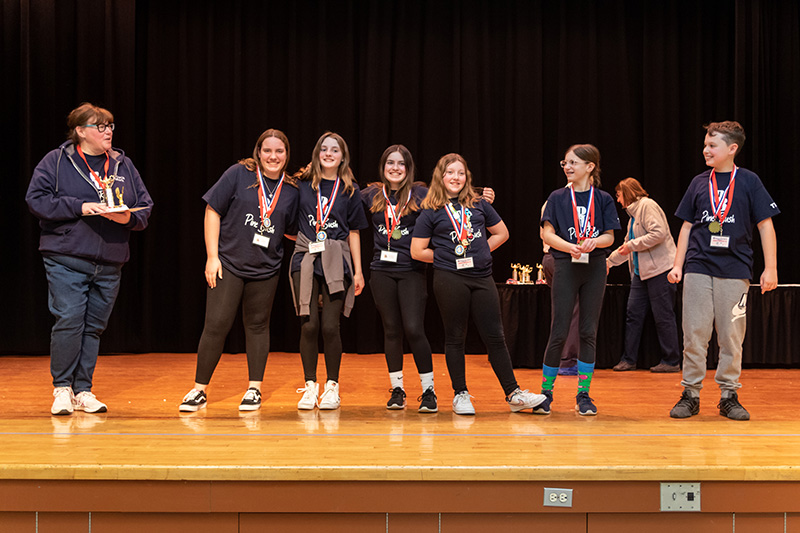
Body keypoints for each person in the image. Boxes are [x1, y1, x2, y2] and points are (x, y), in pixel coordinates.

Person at [25, 102, 153, 416]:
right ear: (81, 131)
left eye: (110, 126)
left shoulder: (123, 165)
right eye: (100, 126)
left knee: (93, 327)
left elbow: (145, 207)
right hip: (67, 256)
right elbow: (36, 199)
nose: (108, 131)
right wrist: (81, 206)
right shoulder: (56, 161)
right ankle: (62, 389)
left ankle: (83, 390)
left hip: (110, 259)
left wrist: (128, 220)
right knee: (69, 319)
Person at [410, 153, 545, 415]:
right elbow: (417, 250)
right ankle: (460, 394)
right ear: (441, 176)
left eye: (460, 173)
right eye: (450, 172)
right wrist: (448, 257)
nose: (456, 177)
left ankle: (513, 394)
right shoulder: (431, 209)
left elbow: (502, 233)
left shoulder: (478, 204)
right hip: (449, 278)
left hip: (482, 277)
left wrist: (481, 251)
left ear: (467, 177)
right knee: (455, 336)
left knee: (495, 336)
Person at [179, 129, 299, 412]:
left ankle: (254, 389)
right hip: (229, 263)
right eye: (267, 150)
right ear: (258, 152)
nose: (273, 156)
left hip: (266, 268)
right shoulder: (238, 175)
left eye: (279, 151)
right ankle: (199, 390)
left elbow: (292, 231)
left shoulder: (292, 190)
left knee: (258, 326)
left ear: (286, 155)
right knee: (216, 324)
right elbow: (212, 210)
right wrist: (212, 256)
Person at [668, 121, 779, 421]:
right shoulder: (698, 183)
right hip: (698, 267)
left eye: (712, 145)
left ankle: (729, 394)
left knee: (731, 336)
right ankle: (690, 393)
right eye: (705, 144)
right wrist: (678, 265)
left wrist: (771, 268)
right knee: (694, 333)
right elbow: (687, 226)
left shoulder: (749, 182)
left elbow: (765, 224)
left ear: (732, 149)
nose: (705, 149)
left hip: (735, 270)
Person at [539, 144, 620, 416]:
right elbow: (546, 234)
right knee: (559, 330)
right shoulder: (558, 197)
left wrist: (595, 242)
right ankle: (546, 393)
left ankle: (583, 394)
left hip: (595, 267)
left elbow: (610, 237)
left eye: (574, 163)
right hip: (565, 265)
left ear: (590, 167)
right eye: (565, 163)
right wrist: (568, 246)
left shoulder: (604, 199)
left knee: (588, 331)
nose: (568, 167)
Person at [290, 132, 368, 410]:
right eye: (324, 149)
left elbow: (355, 232)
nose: (329, 153)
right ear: (317, 153)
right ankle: (310, 386)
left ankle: (332, 386)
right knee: (308, 325)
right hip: (306, 259)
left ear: (343, 156)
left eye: (335, 150)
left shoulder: (350, 190)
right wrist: (302, 240)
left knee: (330, 326)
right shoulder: (301, 186)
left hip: (337, 260)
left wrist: (358, 271)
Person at [361, 145, 437, 412]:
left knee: (414, 329)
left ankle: (429, 391)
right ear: (383, 167)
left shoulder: (421, 193)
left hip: (412, 271)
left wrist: (481, 197)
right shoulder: (371, 194)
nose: (395, 168)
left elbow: (453, 197)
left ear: (408, 168)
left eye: (401, 164)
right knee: (391, 330)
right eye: (390, 163)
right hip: (381, 271)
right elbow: (340, 204)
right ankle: (397, 390)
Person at [607, 177, 681, 373]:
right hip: (641, 275)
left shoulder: (647, 205)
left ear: (627, 192)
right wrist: (608, 263)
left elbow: (659, 234)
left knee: (663, 316)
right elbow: (626, 248)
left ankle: (671, 361)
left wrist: (631, 245)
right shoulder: (632, 218)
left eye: (619, 194)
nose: (617, 199)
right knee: (633, 314)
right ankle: (629, 359)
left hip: (660, 271)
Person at [540, 199, 579, 376]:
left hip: (548, 258)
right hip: (563, 258)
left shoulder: (551, 200)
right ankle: (567, 360)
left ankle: (555, 359)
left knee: (560, 309)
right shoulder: (572, 202)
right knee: (573, 309)